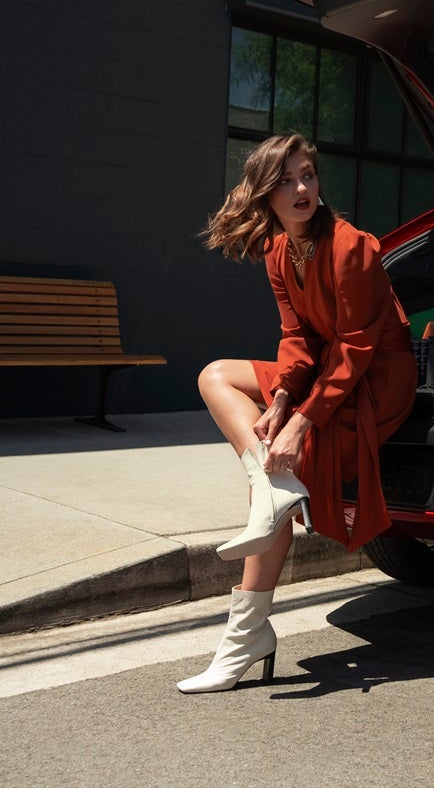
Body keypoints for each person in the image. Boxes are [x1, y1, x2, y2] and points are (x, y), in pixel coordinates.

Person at [177, 132, 417, 693]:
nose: (302, 188)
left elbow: (358, 349)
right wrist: (282, 396)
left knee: (285, 468)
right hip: (328, 370)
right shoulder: (279, 251)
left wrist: (300, 421)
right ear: (266, 194)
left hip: (378, 377)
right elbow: (298, 338)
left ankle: (244, 640)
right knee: (215, 375)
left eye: (307, 175)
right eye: (285, 180)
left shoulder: (351, 245)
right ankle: (269, 486)